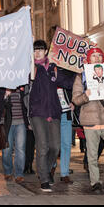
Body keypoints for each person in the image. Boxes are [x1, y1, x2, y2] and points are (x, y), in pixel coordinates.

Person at [72, 47, 104, 194]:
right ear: (89, 58)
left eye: (99, 56)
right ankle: (95, 182)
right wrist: (85, 95)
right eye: (93, 56)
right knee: (92, 155)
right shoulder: (81, 77)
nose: (97, 58)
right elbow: (76, 99)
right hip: (90, 121)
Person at [29, 40, 75, 192]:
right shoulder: (31, 68)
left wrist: (79, 72)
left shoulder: (53, 69)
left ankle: (46, 170)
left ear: (46, 52)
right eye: (35, 50)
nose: (38, 52)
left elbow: (68, 83)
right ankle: (43, 178)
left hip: (54, 112)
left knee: (55, 147)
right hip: (38, 113)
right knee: (42, 146)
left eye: (40, 50)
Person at [0, 86, 29, 185]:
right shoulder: (2, 87)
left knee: (20, 149)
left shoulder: (22, 85)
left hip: (21, 121)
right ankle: (8, 171)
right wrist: (5, 96)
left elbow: (26, 103)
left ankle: (19, 174)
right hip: (6, 123)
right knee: (7, 149)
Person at [56, 68, 76, 184]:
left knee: (66, 144)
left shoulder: (71, 72)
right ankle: (51, 168)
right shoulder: (47, 71)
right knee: (53, 144)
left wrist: (74, 103)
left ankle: (64, 173)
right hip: (52, 114)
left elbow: (76, 90)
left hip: (66, 113)